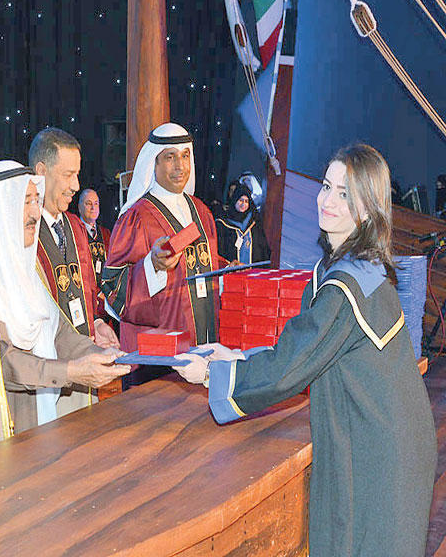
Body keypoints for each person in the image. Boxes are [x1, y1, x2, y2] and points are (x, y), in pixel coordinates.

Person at [175, 144, 436, 556]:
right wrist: (233, 357)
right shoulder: (350, 266)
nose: (327, 201)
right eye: (326, 186)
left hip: (382, 454)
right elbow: (305, 347)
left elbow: (288, 368)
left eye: (345, 194)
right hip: (385, 434)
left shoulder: (345, 286)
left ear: (367, 208)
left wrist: (212, 373)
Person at [0, 161, 130, 449]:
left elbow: (58, 331)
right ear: (0, 206)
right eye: (25, 201)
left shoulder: (26, 262)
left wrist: (100, 355)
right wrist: (70, 372)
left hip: (44, 413)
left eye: (36, 201)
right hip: (6, 422)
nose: (34, 212)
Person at [101, 123, 220, 360]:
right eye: (170, 157)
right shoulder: (137, 217)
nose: (180, 166)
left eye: (185, 156)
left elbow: (205, 262)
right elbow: (113, 286)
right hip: (159, 356)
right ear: (153, 163)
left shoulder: (201, 211)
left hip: (205, 344)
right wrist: (152, 265)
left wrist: (229, 271)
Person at [29, 128, 119, 350]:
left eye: (77, 175)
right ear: (41, 172)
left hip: (85, 355)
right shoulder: (25, 233)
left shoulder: (75, 226)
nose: (76, 186)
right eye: (68, 175)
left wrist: (95, 323)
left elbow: (86, 289)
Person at [215, 182, 270, 265]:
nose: (243, 204)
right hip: (231, 270)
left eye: (246, 201)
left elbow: (263, 250)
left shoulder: (254, 223)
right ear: (235, 200)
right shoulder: (223, 224)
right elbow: (220, 251)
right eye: (240, 200)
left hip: (252, 271)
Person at [77, 188, 111, 293]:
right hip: (85, 292)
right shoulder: (74, 232)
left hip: (106, 294)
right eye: (88, 203)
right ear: (79, 207)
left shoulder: (106, 234)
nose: (93, 208)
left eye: (96, 204)